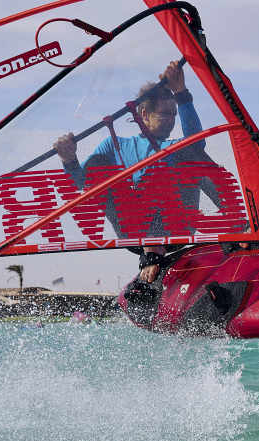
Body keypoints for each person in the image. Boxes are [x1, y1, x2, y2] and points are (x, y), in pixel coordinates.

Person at [53, 60, 202, 285]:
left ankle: (240, 230)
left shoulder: (177, 146)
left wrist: (181, 92)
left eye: (174, 114)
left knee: (191, 154)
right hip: (135, 232)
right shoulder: (114, 145)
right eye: (164, 114)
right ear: (144, 114)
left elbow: (197, 144)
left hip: (178, 226)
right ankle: (151, 254)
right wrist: (69, 159)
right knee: (103, 165)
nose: (172, 120)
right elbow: (81, 184)